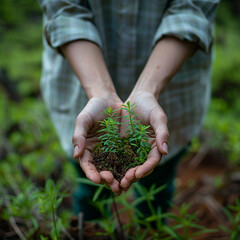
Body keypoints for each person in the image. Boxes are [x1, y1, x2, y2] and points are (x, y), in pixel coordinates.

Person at [38, 0, 219, 220]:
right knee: (90, 187)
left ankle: (151, 229)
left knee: (158, 187)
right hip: (80, 88)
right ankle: (91, 229)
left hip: (172, 93)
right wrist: (99, 93)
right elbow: (66, 13)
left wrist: (148, 91)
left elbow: (191, 11)